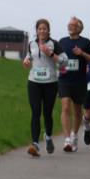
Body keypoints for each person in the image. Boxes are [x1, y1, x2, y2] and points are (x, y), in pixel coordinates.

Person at [22, 19, 63, 157]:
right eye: (40, 28)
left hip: (50, 83)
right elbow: (29, 57)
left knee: (47, 113)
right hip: (34, 82)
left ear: (48, 30)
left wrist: (51, 54)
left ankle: (49, 137)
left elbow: (65, 61)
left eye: (45, 28)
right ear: (37, 30)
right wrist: (26, 61)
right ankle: (35, 144)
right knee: (35, 111)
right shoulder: (31, 44)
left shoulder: (54, 44)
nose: (42, 31)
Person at [58, 17, 90, 152]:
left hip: (79, 80)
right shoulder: (62, 41)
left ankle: (75, 135)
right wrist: (59, 65)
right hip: (64, 79)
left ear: (79, 28)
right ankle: (67, 139)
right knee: (65, 107)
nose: (70, 26)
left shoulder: (85, 42)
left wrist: (82, 53)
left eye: (73, 25)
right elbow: (56, 57)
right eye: (69, 24)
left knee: (76, 109)